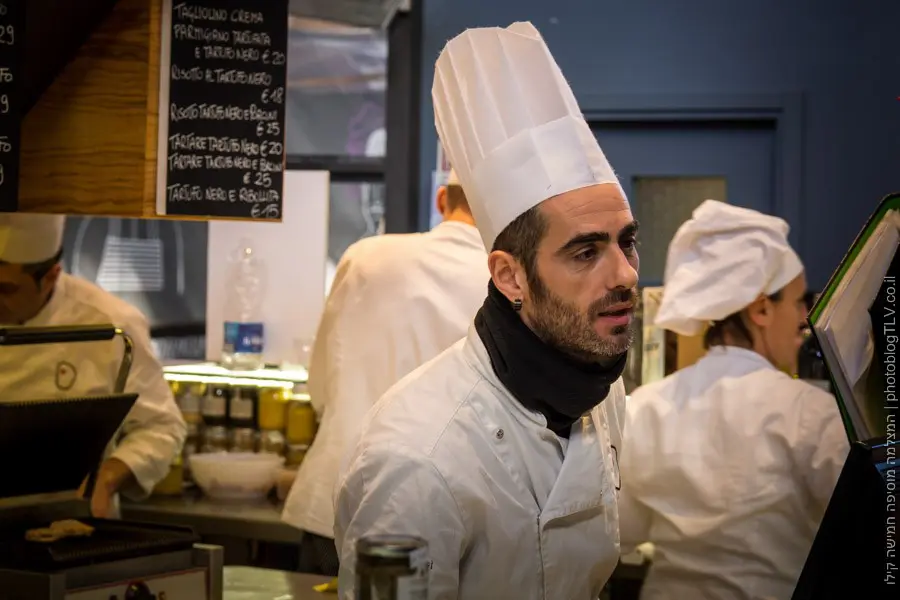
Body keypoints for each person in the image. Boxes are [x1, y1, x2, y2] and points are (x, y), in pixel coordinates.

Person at [334, 21, 638, 599]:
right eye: (585, 251)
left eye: (626, 241)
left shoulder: (603, 392)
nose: (624, 274)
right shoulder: (413, 461)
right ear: (509, 276)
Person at [618, 200, 849, 600]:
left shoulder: (646, 406)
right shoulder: (810, 413)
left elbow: (624, 530)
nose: (803, 322)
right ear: (761, 309)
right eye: (798, 302)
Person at [281, 169, 489, 576]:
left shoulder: (365, 257)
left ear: (441, 200)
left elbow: (319, 388)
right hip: (443, 518)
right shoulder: (508, 279)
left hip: (336, 500)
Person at [0, 213, 186, 518]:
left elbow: (161, 427)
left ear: (51, 277)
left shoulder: (110, 322)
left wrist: (108, 478)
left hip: (69, 522)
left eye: (6, 289)